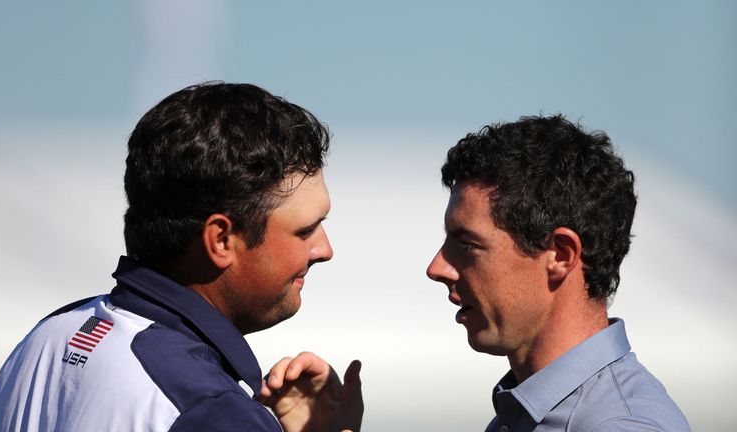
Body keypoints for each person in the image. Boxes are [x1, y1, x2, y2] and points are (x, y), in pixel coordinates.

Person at [0, 82, 361, 432]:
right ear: (221, 240)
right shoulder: (209, 411)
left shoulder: (47, 339)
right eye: (305, 229)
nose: (324, 249)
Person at [264, 115, 691, 431]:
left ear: (560, 255)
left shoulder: (621, 425)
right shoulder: (527, 412)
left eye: (467, 245)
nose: (437, 268)